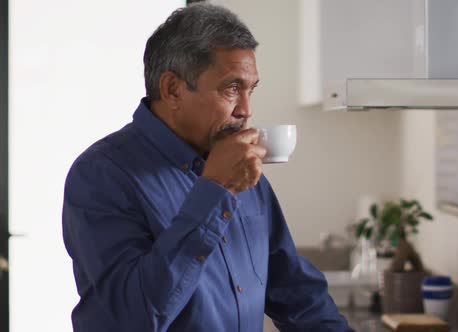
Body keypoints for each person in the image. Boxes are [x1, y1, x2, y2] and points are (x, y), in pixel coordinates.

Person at [62, 3, 353, 332]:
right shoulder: (101, 175)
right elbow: (135, 319)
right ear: (173, 89)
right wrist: (216, 191)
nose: (246, 109)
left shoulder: (244, 171)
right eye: (231, 89)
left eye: (250, 89)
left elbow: (295, 293)